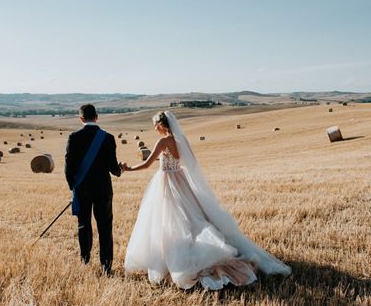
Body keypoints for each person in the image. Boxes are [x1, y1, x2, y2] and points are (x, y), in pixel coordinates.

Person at [121, 111, 291, 290]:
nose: (154, 128)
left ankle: (172, 255)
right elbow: (189, 162)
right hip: (181, 180)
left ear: (162, 125)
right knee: (189, 218)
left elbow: (147, 164)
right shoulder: (181, 140)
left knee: (169, 219)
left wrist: (128, 168)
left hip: (167, 182)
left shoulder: (162, 141)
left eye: (155, 125)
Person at [65, 104, 122, 274]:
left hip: (82, 190)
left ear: (81, 118)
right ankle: (106, 265)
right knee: (105, 226)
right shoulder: (108, 138)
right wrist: (119, 170)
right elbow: (113, 167)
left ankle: (85, 259)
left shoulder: (73, 137)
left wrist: (73, 187)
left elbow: (68, 168)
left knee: (84, 225)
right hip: (103, 190)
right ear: (97, 117)